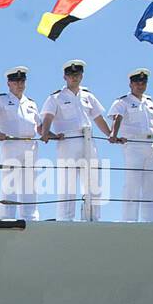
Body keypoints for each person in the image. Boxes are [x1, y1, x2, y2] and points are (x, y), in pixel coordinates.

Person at [39, 59, 113, 220]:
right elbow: (48, 117)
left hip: (88, 140)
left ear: (82, 75)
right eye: (71, 75)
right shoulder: (56, 97)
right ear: (65, 77)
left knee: (93, 182)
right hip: (68, 141)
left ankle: (93, 218)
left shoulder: (88, 96)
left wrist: (110, 134)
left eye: (77, 74)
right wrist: (45, 132)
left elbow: (98, 118)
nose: (74, 77)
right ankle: (65, 219)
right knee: (68, 183)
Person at [107, 69, 153, 223]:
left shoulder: (149, 102)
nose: (140, 85)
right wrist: (113, 134)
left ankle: (152, 221)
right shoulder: (123, 101)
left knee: (152, 186)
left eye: (143, 82)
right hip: (133, 145)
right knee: (132, 184)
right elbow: (117, 118)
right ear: (130, 84)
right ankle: (129, 221)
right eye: (137, 82)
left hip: (151, 144)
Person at [0, 66, 41, 221]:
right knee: (9, 182)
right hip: (11, 143)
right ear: (9, 83)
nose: (19, 84)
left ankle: (30, 218)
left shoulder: (31, 103)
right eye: (16, 81)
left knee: (30, 183)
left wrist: (51, 135)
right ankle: (6, 217)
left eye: (22, 81)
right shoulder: (0, 99)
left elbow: (40, 126)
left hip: (31, 145)